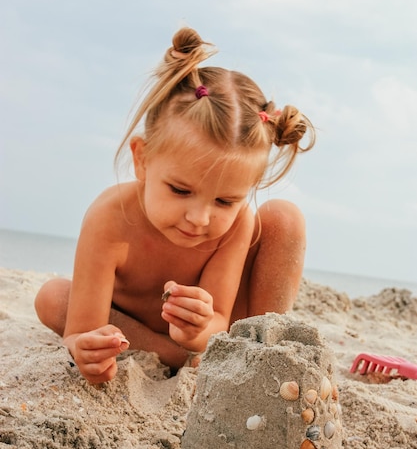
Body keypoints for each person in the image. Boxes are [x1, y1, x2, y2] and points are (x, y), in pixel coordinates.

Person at [35, 27, 315, 385]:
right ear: (143, 160)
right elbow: (82, 330)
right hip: (130, 325)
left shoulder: (236, 222)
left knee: (284, 218)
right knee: (52, 298)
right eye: (180, 190)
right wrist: (88, 351)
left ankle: (262, 350)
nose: (199, 218)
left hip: (216, 336)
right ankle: (175, 356)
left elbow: (217, 321)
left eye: (225, 200)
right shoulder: (111, 217)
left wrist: (197, 331)